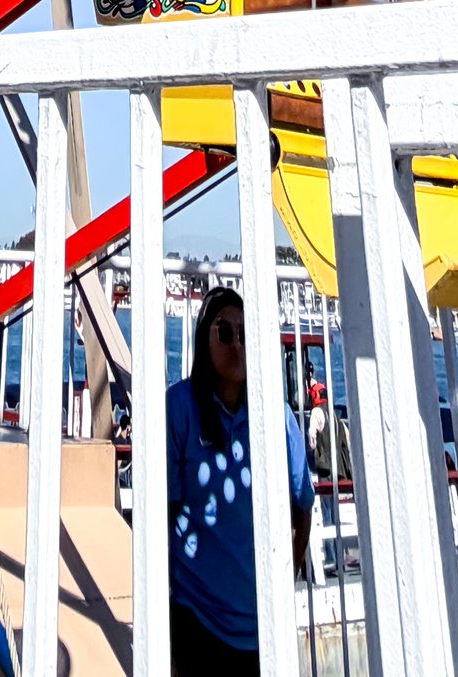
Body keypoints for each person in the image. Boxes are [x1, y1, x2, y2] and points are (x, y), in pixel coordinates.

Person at [163, 286, 312, 676]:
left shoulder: (277, 417)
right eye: (225, 332)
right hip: (197, 614)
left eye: (245, 334)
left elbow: (302, 506)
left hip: (260, 623)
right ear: (203, 339)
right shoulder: (179, 408)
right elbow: (164, 510)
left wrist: (285, 579)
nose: (237, 345)